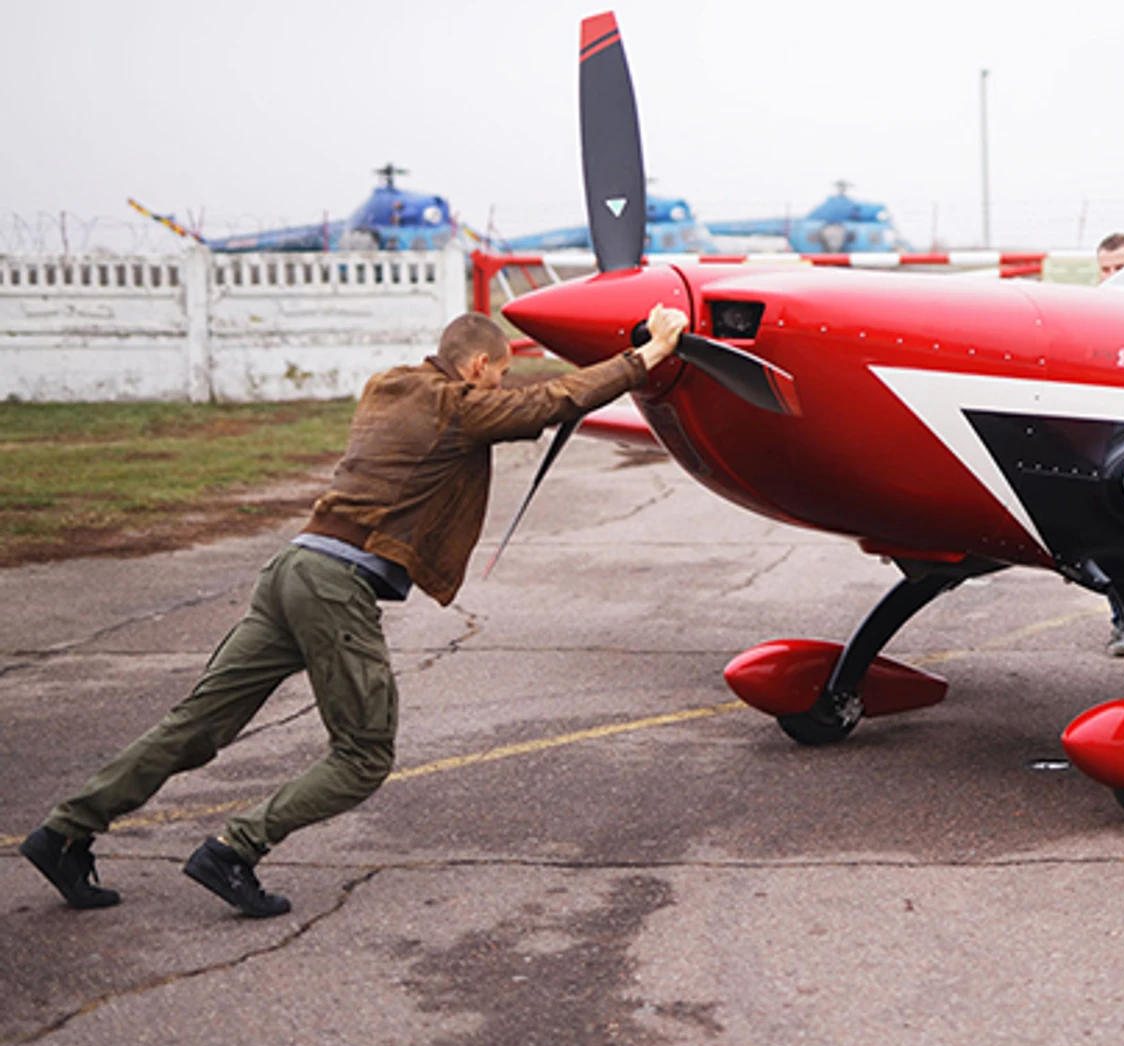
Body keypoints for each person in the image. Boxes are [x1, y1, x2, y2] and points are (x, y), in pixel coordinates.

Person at [20, 305, 688, 916]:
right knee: (364, 754)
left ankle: (64, 831)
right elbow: (551, 400)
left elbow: (527, 401)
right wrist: (650, 353)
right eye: (500, 373)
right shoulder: (458, 405)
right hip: (334, 585)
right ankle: (233, 849)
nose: (500, 386)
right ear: (479, 366)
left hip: (289, 570)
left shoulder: (387, 385)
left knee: (194, 725)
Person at [1095, 233, 1124, 656]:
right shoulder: (1091, 316)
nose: (1111, 278)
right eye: (1106, 269)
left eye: (1120, 269)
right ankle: (1122, 624)